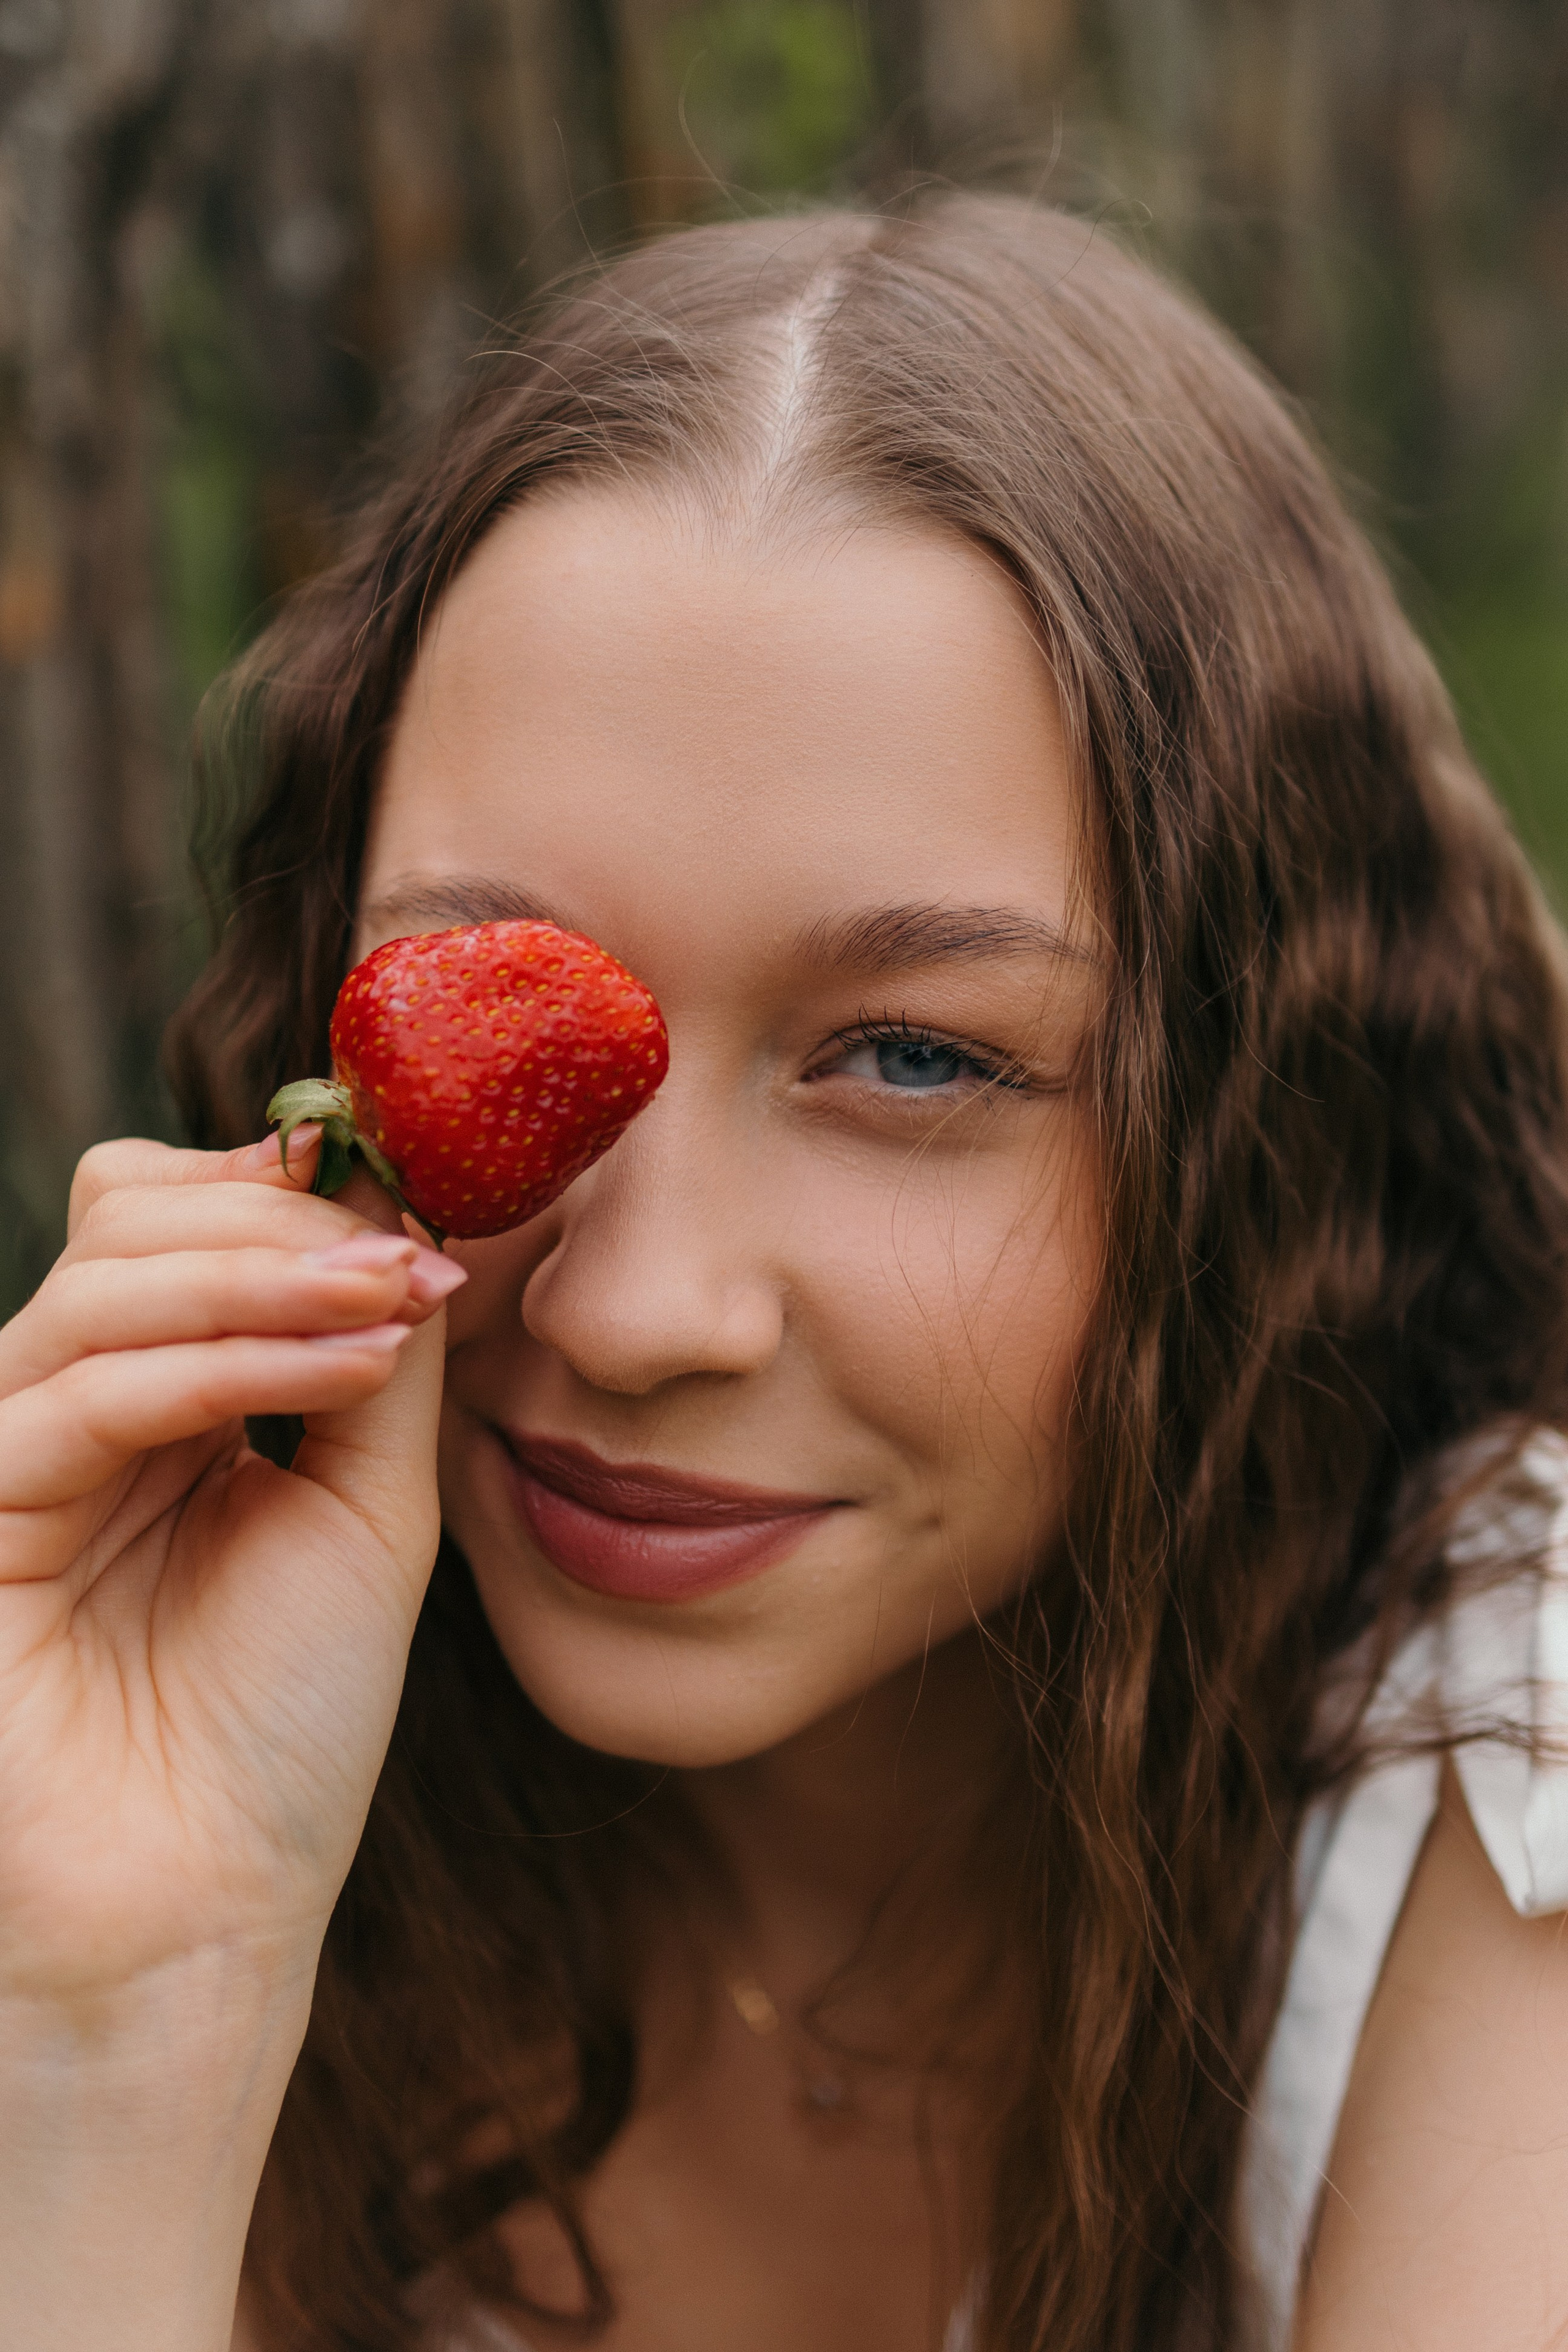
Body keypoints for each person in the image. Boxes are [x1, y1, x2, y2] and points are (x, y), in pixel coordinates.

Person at [2, 194, 1567, 2352]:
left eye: (916, 1058)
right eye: (495, 997)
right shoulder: (170, 1742)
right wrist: (118, 2027)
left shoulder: (1500, 1750)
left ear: (1258, 1110)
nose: (639, 1318)